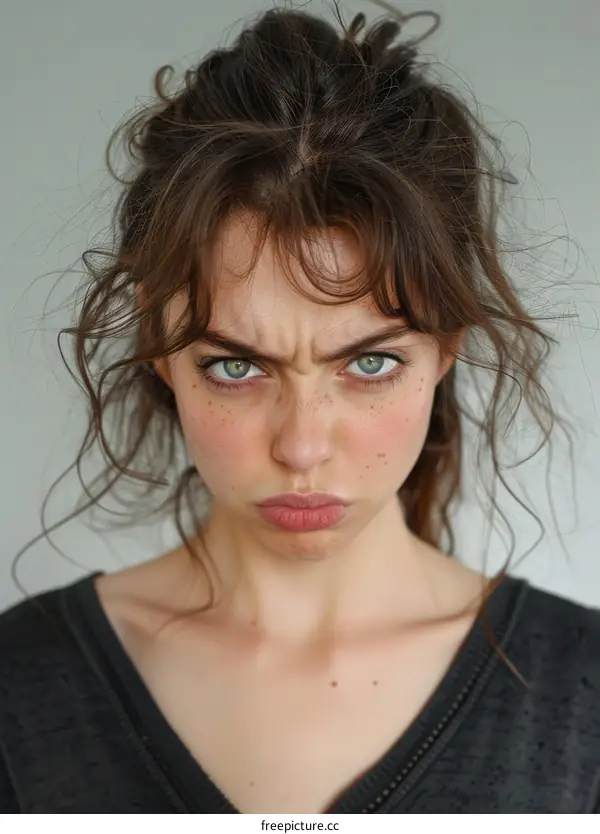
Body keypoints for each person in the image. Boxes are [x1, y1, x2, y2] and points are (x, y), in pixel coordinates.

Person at [1, 2, 599, 815]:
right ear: (157, 342)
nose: (303, 447)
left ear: (447, 346)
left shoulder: (581, 691)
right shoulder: (20, 685)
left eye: (371, 363)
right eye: (237, 366)